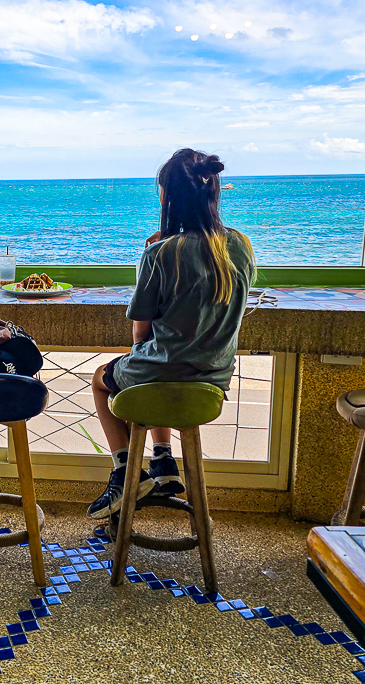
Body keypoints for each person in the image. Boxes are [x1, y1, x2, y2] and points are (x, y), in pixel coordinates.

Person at [87, 148, 256, 519]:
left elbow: (141, 329)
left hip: (161, 374)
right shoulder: (240, 246)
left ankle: (122, 472)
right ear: (213, 191)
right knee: (155, 366)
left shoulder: (160, 252)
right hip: (212, 381)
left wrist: (151, 256)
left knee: (103, 378)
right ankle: (163, 460)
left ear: (168, 196)